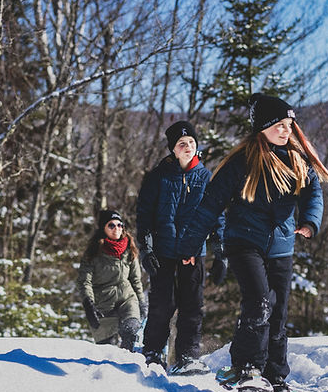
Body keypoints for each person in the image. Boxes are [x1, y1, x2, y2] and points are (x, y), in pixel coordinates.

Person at [179, 93, 328, 392]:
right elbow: (210, 206)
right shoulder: (242, 162)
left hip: (282, 246)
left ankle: (275, 379)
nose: (285, 129)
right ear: (262, 126)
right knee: (260, 302)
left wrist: (310, 221)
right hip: (244, 243)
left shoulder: (297, 160)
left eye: (289, 124)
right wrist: (189, 246)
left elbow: (313, 194)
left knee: (277, 314)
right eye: (278, 124)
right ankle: (247, 367)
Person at [136, 120, 224, 374]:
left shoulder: (206, 177)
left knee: (192, 306)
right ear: (172, 149)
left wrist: (220, 252)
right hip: (163, 251)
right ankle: (153, 353)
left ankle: (187, 356)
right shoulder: (158, 177)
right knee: (162, 304)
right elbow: (145, 216)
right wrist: (147, 249)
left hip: (194, 252)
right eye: (181, 143)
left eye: (191, 143)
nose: (187, 147)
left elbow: (216, 216)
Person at [76, 209, 147, 351]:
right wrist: (88, 304)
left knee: (130, 332)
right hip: (103, 303)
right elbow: (85, 281)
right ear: (103, 228)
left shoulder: (129, 249)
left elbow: (135, 280)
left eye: (120, 225)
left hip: (127, 299)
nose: (117, 229)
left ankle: (127, 366)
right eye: (111, 225)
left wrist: (141, 302)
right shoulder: (93, 252)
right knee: (106, 350)